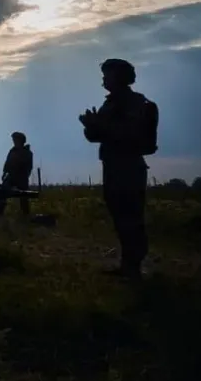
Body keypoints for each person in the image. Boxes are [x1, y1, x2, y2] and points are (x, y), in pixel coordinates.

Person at [79, 58, 157, 279]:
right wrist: (91, 126)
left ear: (120, 77)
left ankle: (133, 267)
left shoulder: (134, 104)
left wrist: (99, 125)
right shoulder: (112, 103)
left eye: (108, 74)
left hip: (128, 166)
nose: (104, 79)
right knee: (120, 216)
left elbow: (129, 134)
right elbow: (97, 137)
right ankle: (128, 266)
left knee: (130, 216)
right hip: (114, 165)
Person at [2, 131, 34, 215]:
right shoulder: (12, 151)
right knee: (3, 192)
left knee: (24, 196)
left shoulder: (27, 153)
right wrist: (4, 172)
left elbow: (29, 167)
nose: (14, 141)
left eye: (15, 139)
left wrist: (25, 175)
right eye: (13, 139)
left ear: (20, 141)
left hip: (22, 177)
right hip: (11, 176)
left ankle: (25, 215)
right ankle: (0, 212)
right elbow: (7, 162)